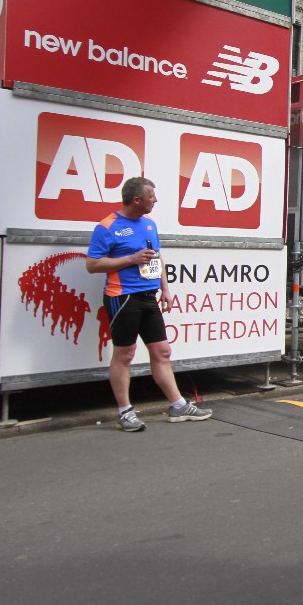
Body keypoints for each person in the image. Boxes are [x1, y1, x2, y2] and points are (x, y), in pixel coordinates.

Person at [85, 177, 212, 433]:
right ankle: (125, 412)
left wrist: (165, 288)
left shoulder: (150, 224)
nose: (155, 200)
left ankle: (178, 405)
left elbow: (157, 257)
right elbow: (92, 264)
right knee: (125, 354)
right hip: (122, 297)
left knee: (162, 351)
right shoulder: (107, 226)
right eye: (151, 196)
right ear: (136, 199)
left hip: (148, 296)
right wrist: (131, 259)